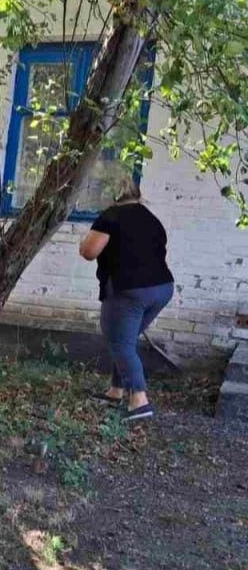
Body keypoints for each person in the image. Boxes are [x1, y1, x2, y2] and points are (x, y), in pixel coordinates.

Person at [79, 178, 174, 422]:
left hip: (130, 291)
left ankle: (139, 400)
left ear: (113, 197)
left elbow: (89, 251)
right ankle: (115, 391)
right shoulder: (151, 219)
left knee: (120, 342)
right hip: (162, 288)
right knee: (125, 341)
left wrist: (83, 240)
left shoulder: (111, 217)